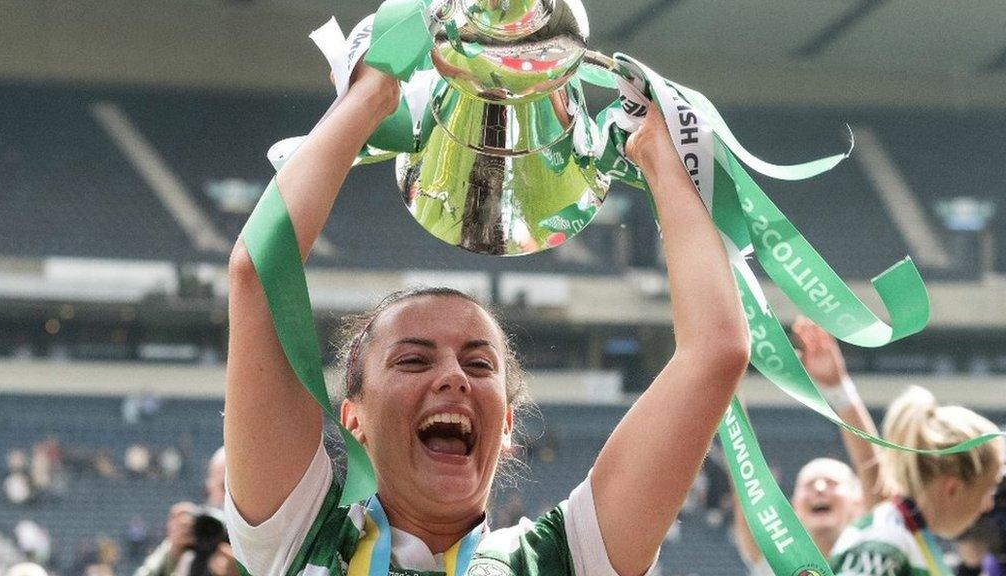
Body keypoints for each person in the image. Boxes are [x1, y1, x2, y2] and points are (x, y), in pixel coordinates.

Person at [223, 54, 751, 575]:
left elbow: (715, 353)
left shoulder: (563, 560)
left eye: (479, 365)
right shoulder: (300, 539)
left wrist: (659, 153)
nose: (453, 378)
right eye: (412, 361)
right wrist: (372, 91)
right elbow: (259, 275)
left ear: (505, 425)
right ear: (353, 418)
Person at [732, 317, 880, 574]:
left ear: (858, 502)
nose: (820, 489)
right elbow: (746, 479)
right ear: (796, 508)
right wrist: (728, 380)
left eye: (832, 483)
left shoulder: (878, 556)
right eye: (809, 485)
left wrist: (839, 391)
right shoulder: (773, 563)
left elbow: (874, 473)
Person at [829, 386, 1004, 575]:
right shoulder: (883, 542)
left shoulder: (910, 537)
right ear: (952, 489)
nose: (989, 505)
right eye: (988, 490)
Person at [136, 447, 226, 576]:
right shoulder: (196, 535)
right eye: (224, 487)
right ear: (209, 489)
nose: (233, 499)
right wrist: (172, 554)